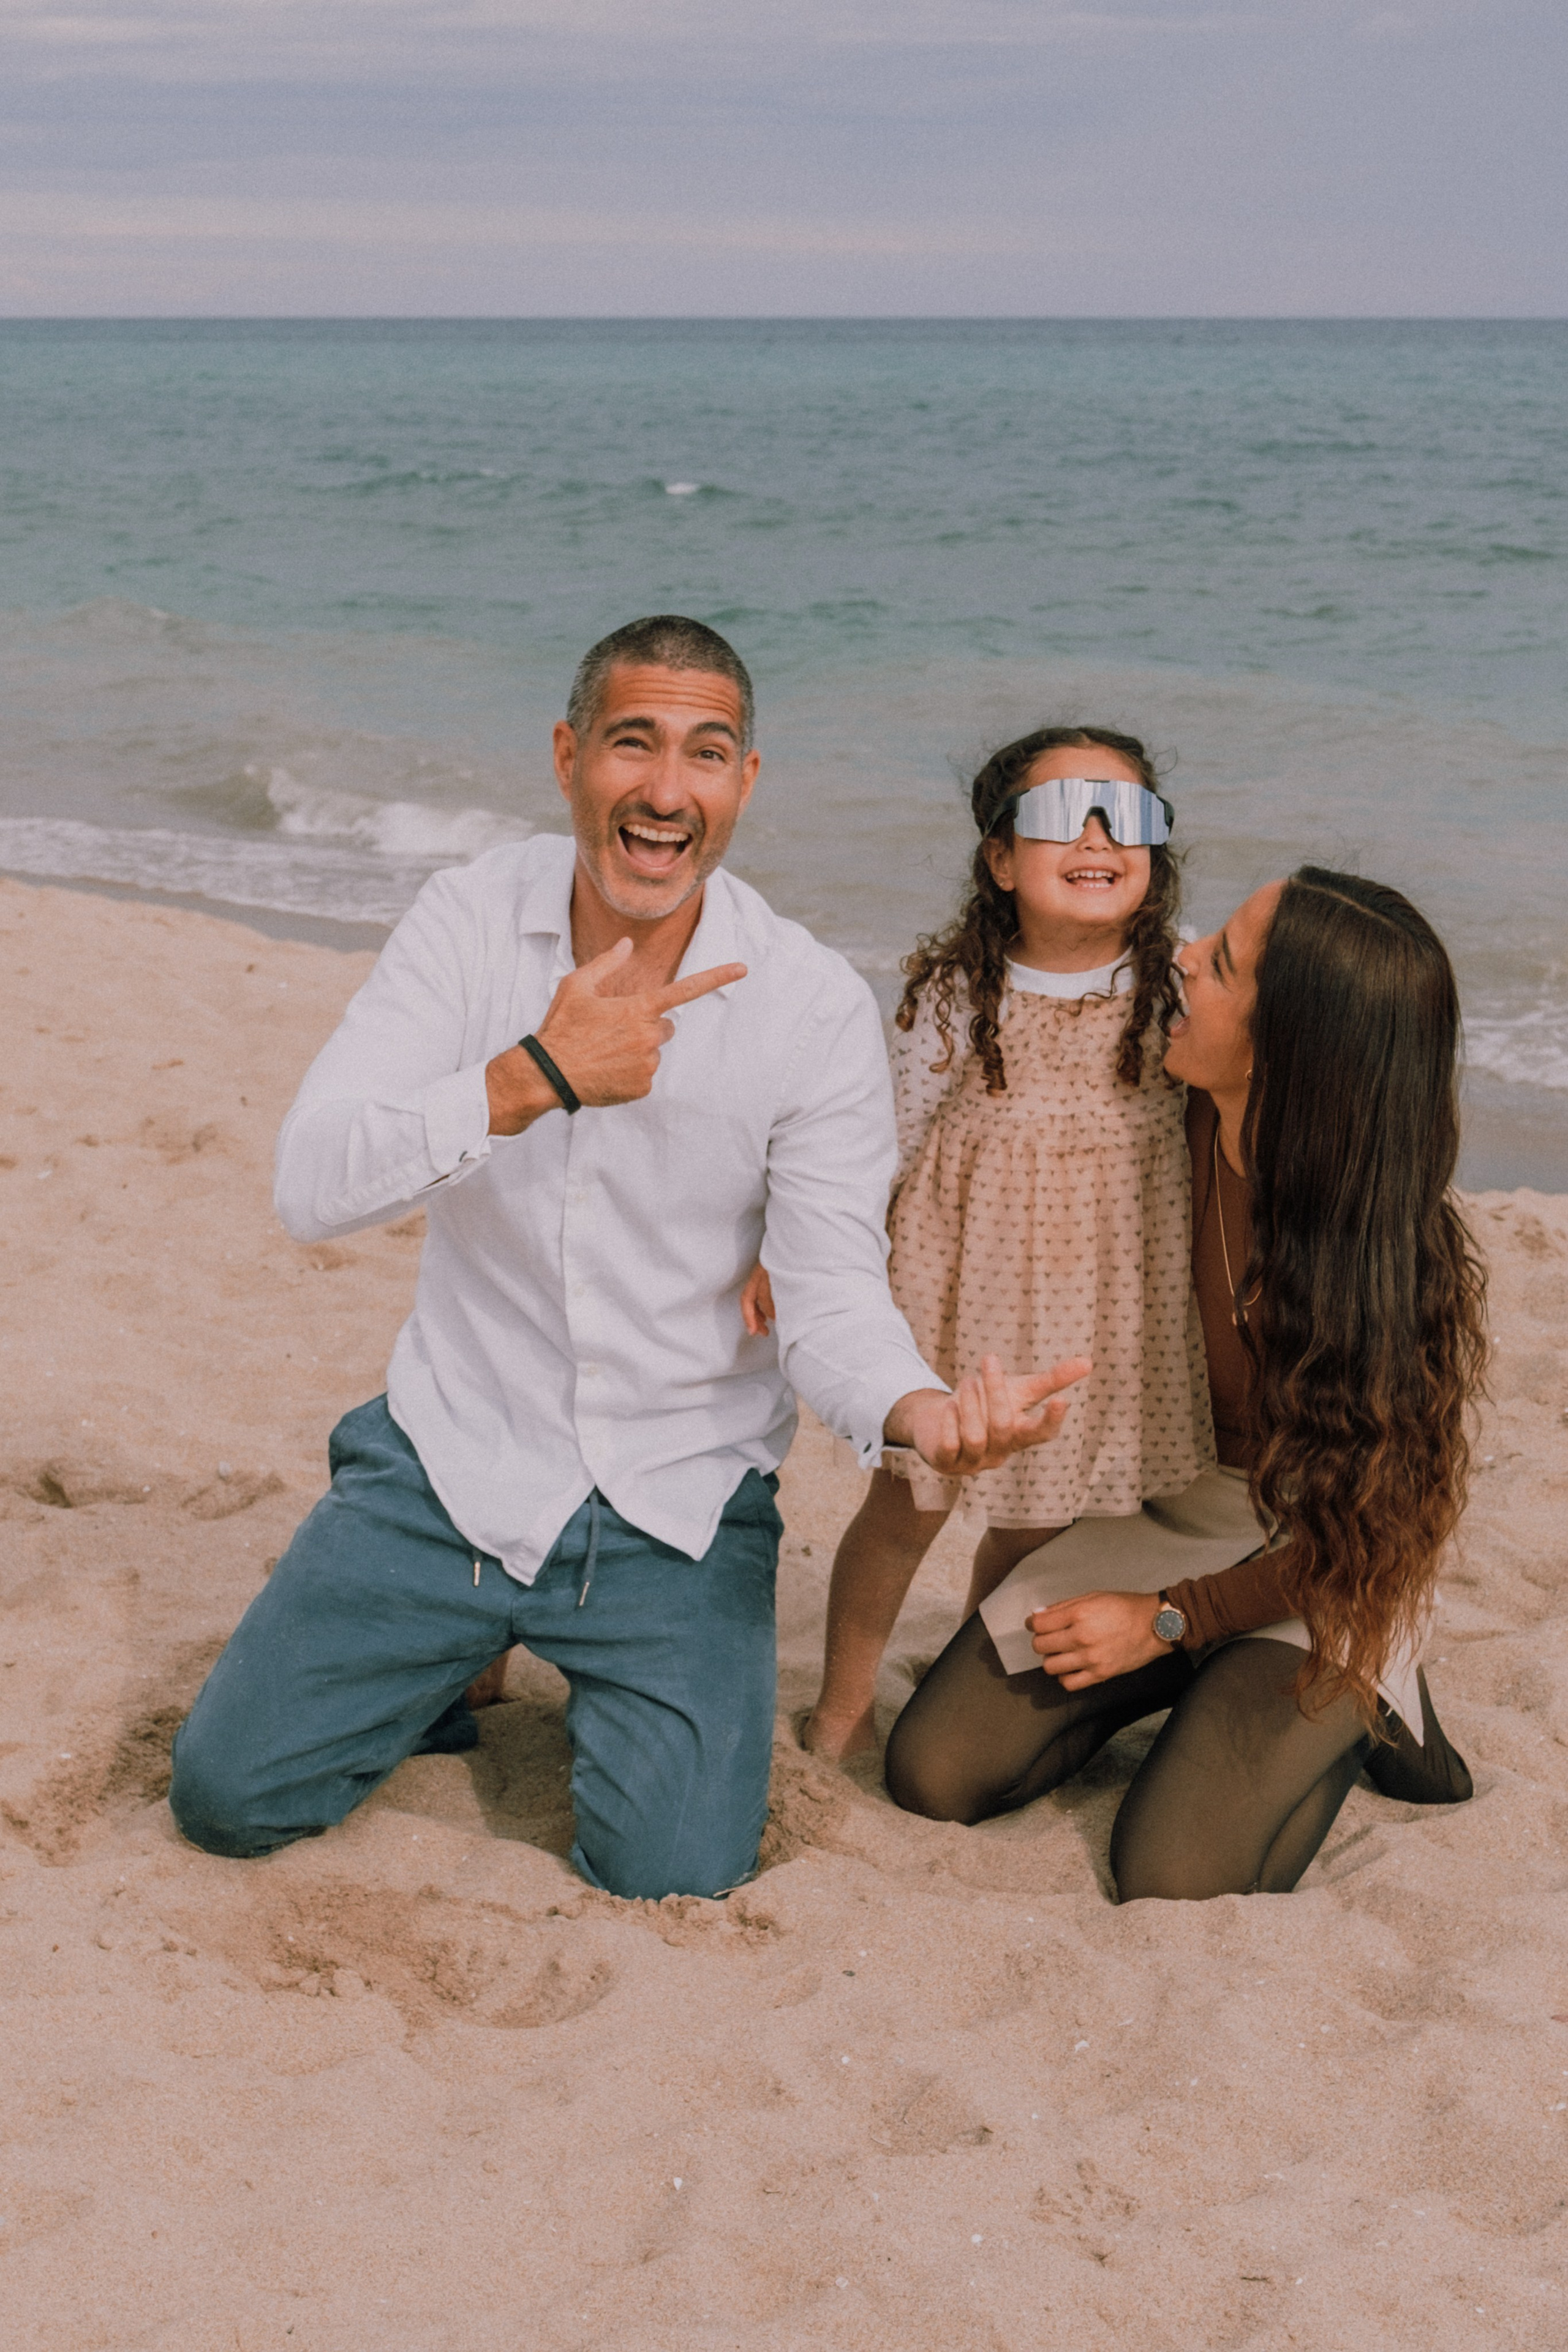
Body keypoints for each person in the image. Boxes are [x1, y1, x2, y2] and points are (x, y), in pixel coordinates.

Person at [167, 616, 1087, 1902]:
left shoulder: (808, 1002)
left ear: (744, 783)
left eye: (706, 755)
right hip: (453, 1464)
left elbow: (827, 1291)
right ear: (567, 757)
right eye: (632, 744)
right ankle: (438, 1621)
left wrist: (917, 1413)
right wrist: (531, 1077)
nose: (665, 791)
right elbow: (309, 1183)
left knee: (670, 1877)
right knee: (224, 1802)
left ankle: (502, 1650)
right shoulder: (469, 919)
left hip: (675, 1499)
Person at [884, 867, 1483, 1900]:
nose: (1185, 957)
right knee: (934, 1771)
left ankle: (1369, 1699)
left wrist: (1167, 1620)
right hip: (1182, 1505)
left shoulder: (1388, 1254)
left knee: (1171, 1873)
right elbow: (979, 1067)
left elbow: (1364, 1531)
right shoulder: (1169, 1111)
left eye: (1226, 964)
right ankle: (1218, 1679)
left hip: (1330, 1560)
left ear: (1288, 1047)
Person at [765, 726, 1212, 1762]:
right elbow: (882, 1142)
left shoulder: (1177, 989)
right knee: (909, 1500)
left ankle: (966, 1670)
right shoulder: (957, 993)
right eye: (1062, 815)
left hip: (1103, 1295)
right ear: (1002, 860)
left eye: (1129, 816)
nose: (1099, 834)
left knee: (1038, 1519)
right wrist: (802, 1256)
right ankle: (842, 1705)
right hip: (958, 1282)